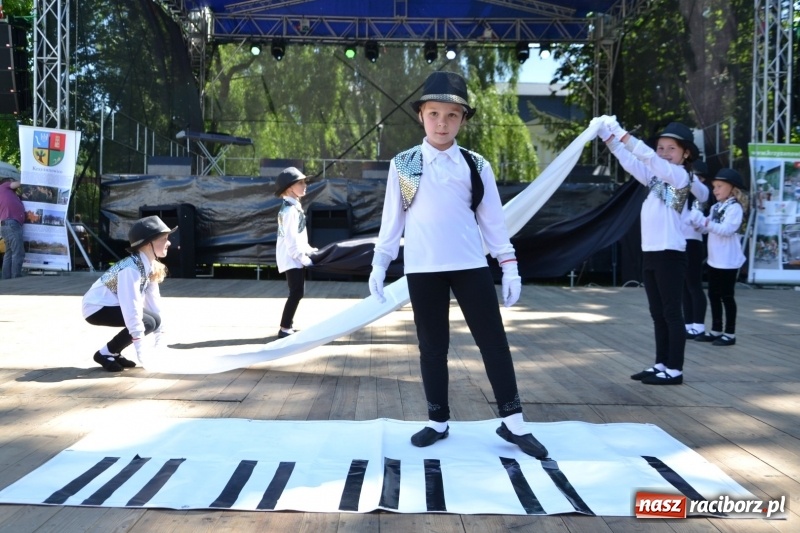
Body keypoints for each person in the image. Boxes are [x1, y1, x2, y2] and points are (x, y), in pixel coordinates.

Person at [368, 70, 547, 458]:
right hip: (423, 269)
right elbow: (392, 220)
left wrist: (509, 265)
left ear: (464, 118)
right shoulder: (405, 165)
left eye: (452, 115)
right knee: (432, 347)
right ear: (421, 115)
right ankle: (437, 420)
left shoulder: (476, 165)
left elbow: (493, 222)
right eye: (434, 114)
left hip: (470, 266)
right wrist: (380, 263)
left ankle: (513, 423)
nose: (442, 123)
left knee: (493, 343)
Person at [599, 118, 699, 385]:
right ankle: (661, 363)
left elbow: (647, 157)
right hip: (652, 252)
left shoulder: (680, 177)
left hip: (670, 254)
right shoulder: (658, 180)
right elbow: (633, 163)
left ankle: (674, 369)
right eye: (661, 147)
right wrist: (609, 139)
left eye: (671, 149)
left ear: (685, 153)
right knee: (658, 313)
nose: (664, 152)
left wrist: (621, 133)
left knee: (671, 312)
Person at [82, 215, 174, 371]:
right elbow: (132, 309)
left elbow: (154, 304)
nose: (169, 242)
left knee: (155, 320)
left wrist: (160, 343)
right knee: (147, 322)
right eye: (164, 238)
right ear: (148, 243)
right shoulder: (131, 269)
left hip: (112, 306)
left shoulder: (150, 266)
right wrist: (142, 353)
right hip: (96, 308)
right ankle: (105, 353)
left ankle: (113, 352)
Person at [689, 169, 748, 346]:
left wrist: (705, 222)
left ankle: (730, 333)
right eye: (714, 186)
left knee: (727, 296)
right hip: (715, 259)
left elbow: (726, 230)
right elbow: (708, 228)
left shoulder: (735, 208)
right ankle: (716, 329)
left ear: (732, 188)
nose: (715, 190)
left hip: (728, 261)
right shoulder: (715, 207)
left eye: (720, 186)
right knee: (714, 295)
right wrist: (698, 224)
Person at [274, 166, 316, 339]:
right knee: (296, 291)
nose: (304, 185)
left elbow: (299, 236)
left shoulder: (293, 207)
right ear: (289, 187)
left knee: (297, 291)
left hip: (295, 256)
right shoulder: (289, 210)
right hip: (291, 257)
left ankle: (287, 325)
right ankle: (284, 328)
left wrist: (308, 250)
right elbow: (290, 241)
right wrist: (302, 258)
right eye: (300, 182)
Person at [683, 160, 711, 339]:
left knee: (693, 284)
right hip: (678, 241)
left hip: (693, 242)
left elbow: (706, 222)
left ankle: (698, 325)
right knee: (684, 286)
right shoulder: (680, 192)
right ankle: (688, 324)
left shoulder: (702, 194)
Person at [0, 177, 26, 279]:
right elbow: (18, 184)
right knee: (18, 251)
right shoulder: (3, 186)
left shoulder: (11, 195)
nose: (13, 182)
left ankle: (6, 278)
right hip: (11, 224)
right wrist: (29, 179)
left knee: (9, 252)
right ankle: (16, 277)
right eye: (11, 181)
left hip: (8, 224)